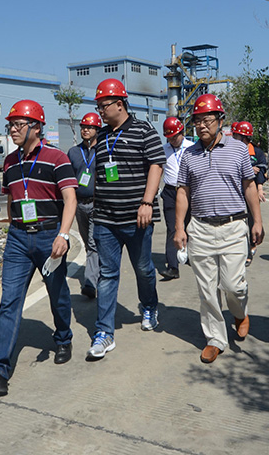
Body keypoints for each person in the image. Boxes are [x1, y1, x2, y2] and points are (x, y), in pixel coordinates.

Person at [0, 100, 77, 397]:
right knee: (9, 302)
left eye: (18, 125)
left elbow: (70, 199)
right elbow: (13, 198)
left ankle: (63, 338)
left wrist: (63, 235)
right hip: (18, 239)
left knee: (58, 294)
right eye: (10, 125)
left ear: (36, 127)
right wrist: (12, 226)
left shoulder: (57, 158)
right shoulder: (11, 162)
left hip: (49, 236)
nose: (12, 130)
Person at [174, 95, 263, 364]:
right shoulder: (189, 155)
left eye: (207, 119)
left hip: (234, 227)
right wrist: (179, 227)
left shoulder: (238, 149)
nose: (202, 125)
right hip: (200, 228)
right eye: (197, 121)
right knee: (207, 289)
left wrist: (257, 221)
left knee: (233, 285)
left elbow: (249, 186)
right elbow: (182, 192)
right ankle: (215, 338)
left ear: (220, 120)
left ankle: (239, 312)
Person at [86, 78, 166, 361]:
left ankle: (149, 306)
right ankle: (104, 332)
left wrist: (147, 202)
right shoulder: (101, 136)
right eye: (98, 106)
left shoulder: (144, 130)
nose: (100, 111)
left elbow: (156, 165)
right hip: (105, 219)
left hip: (137, 218)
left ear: (120, 104)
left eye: (104, 105)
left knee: (143, 269)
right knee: (107, 274)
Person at [67, 112, 102, 298]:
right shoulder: (73, 152)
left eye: (89, 127)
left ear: (97, 130)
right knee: (88, 242)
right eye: (83, 127)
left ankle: (90, 283)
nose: (85, 130)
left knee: (93, 242)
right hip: (79, 204)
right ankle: (98, 269)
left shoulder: (103, 150)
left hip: (98, 204)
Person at [159, 116, 194, 281]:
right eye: (169, 137)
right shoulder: (164, 150)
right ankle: (172, 266)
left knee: (191, 226)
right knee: (173, 228)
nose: (172, 140)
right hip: (170, 193)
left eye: (175, 136)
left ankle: (192, 256)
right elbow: (157, 170)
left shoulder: (192, 148)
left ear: (182, 132)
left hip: (189, 192)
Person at [231, 120, 268, 266]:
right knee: (239, 222)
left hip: (251, 191)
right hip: (236, 192)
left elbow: (261, 172)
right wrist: (248, 169)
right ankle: (245, 252)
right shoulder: (232, 151)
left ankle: (253, 244)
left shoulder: (256, 153)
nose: (234, 137)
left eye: (236, 135)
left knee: (252, 220)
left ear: (244, 137)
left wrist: (259, 189)